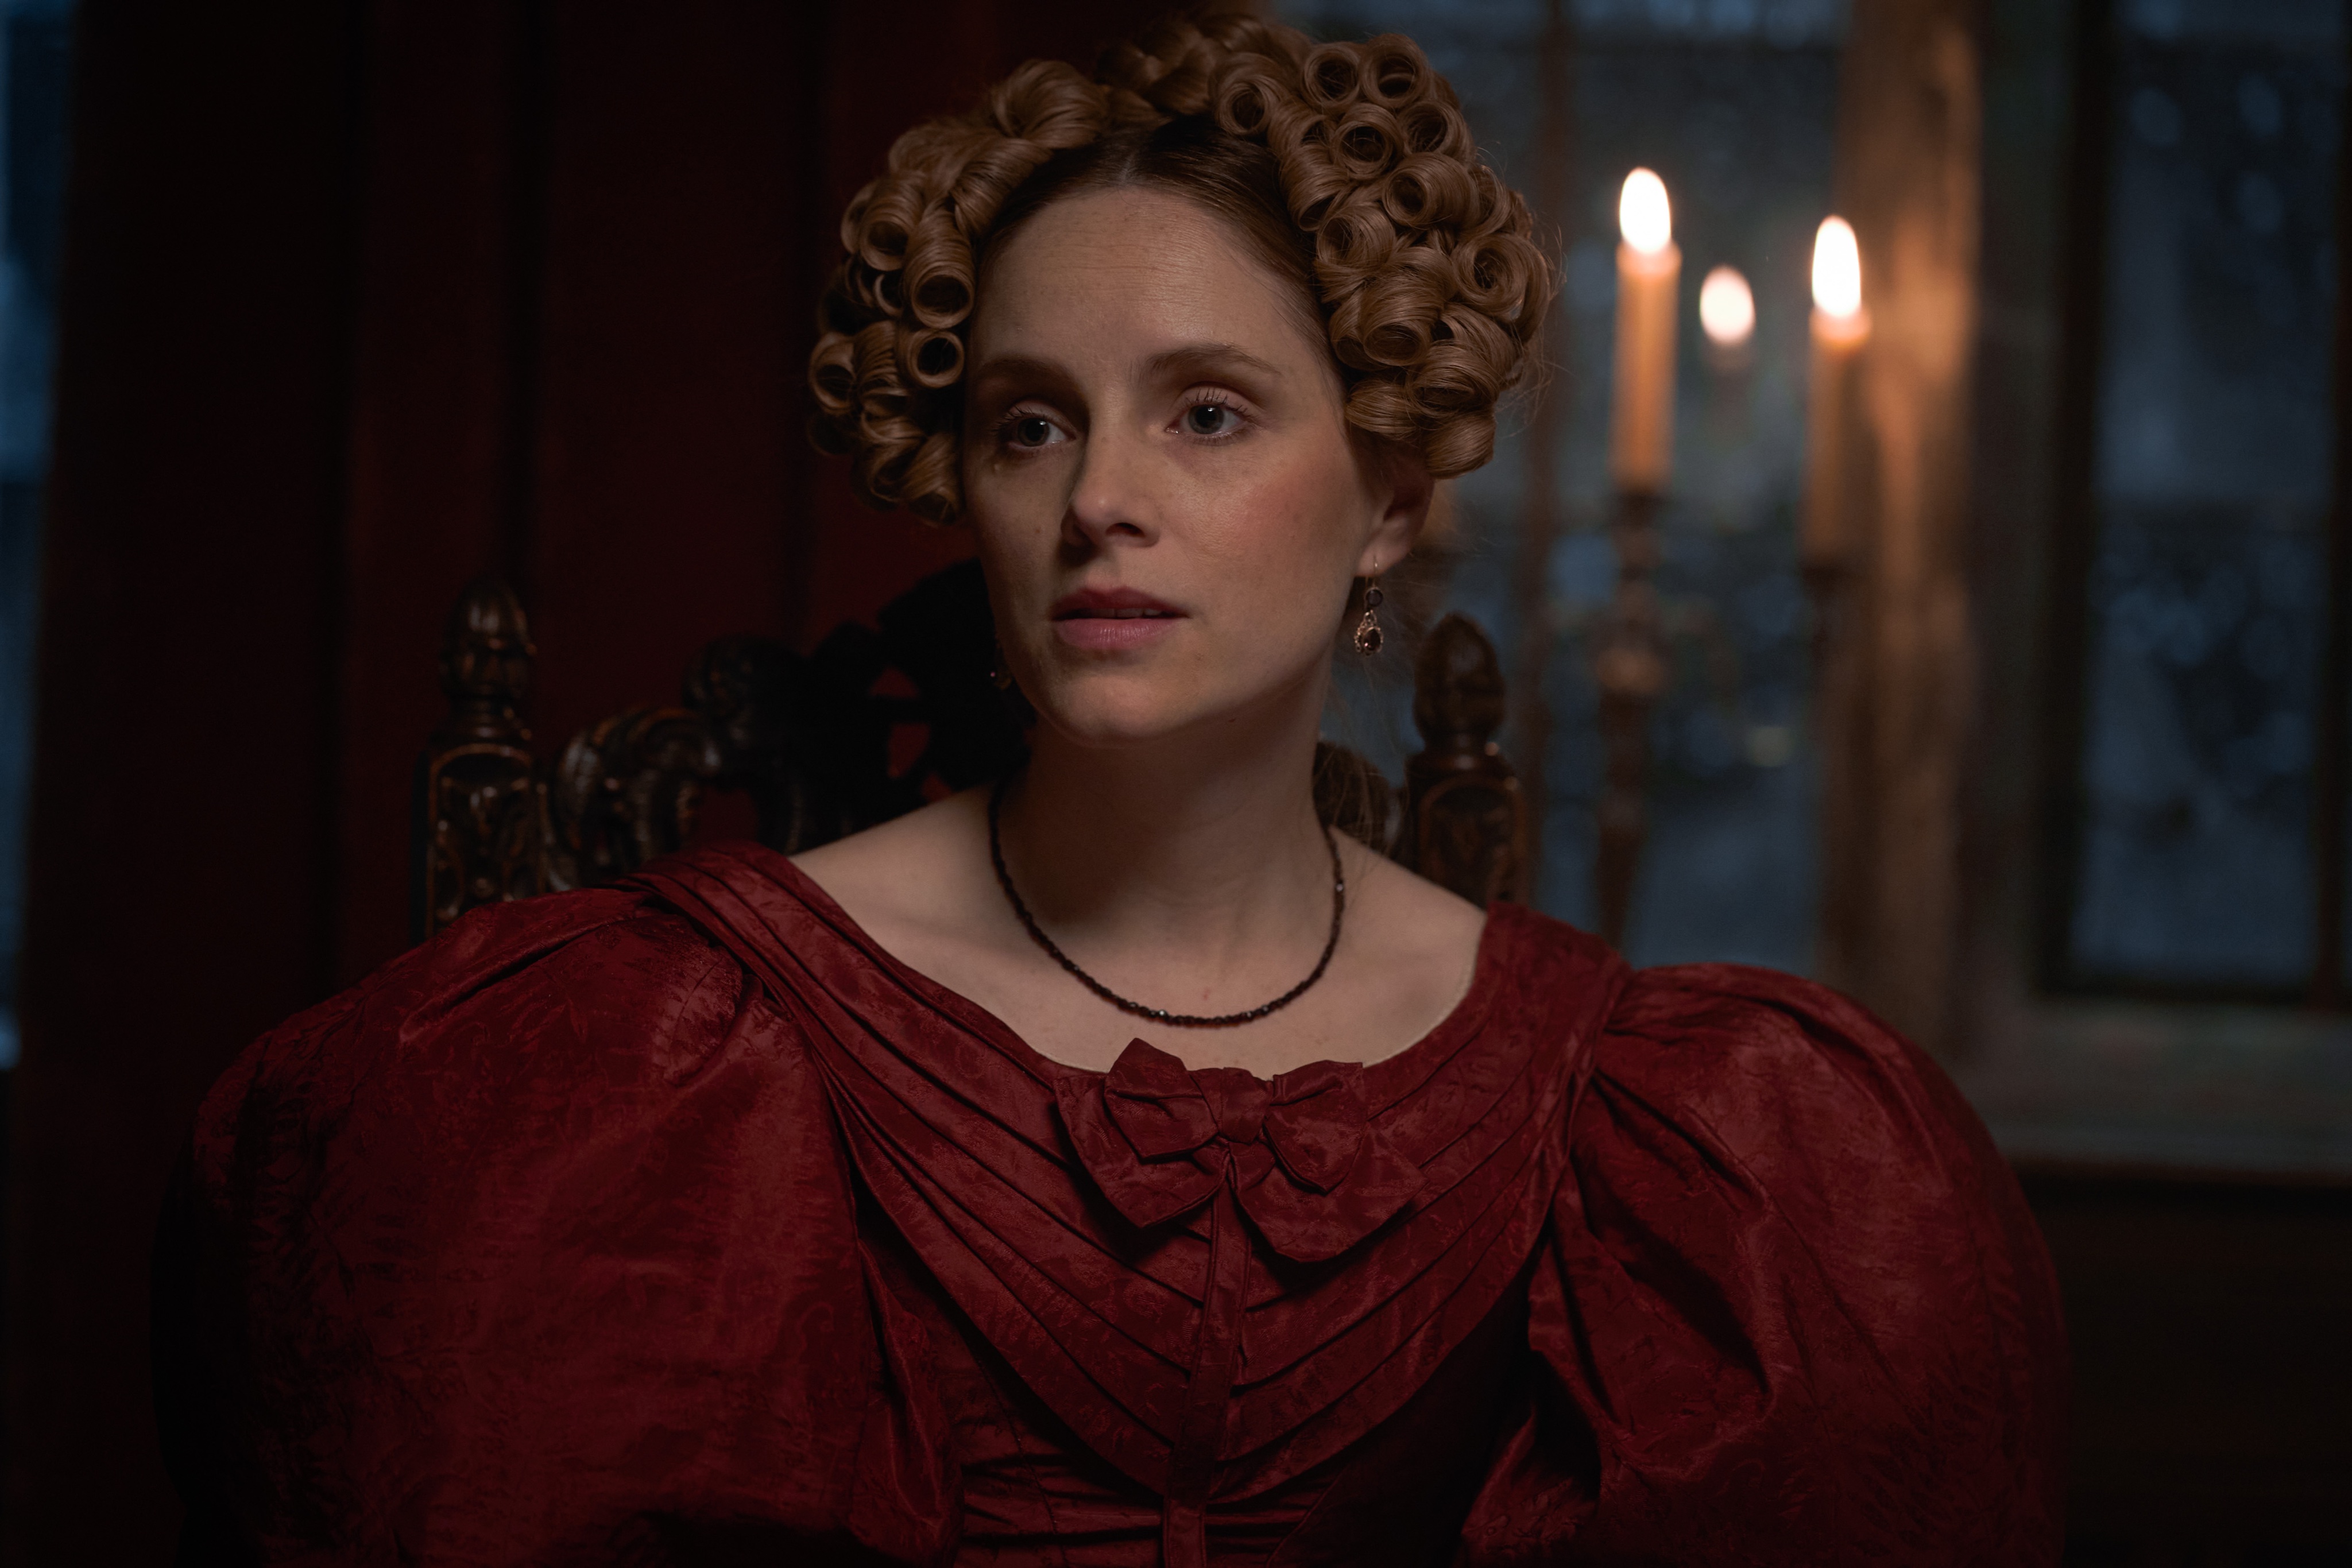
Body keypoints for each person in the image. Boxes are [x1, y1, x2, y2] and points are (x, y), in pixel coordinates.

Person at [154, 9, 2068, 1565]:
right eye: (1031, 422)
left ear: (1390, 498)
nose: (1099, 501)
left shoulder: (1625, 1097)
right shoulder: (665, 1044)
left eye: (1207, 411)